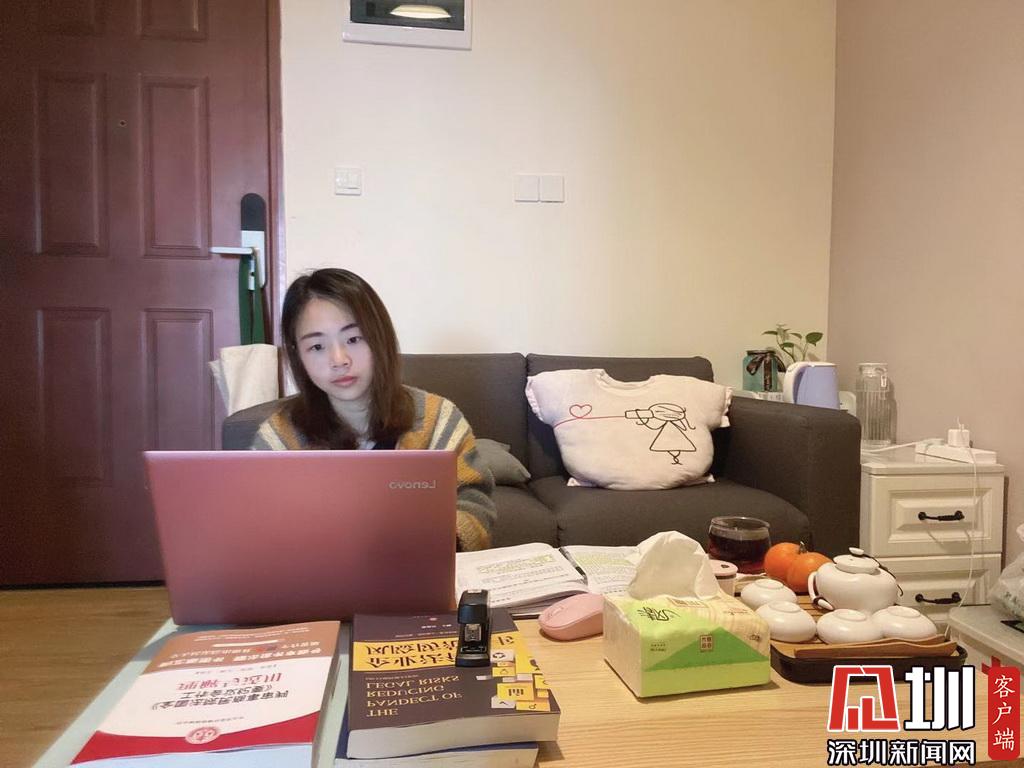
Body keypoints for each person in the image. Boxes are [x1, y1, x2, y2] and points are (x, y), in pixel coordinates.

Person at [250, 268, 496, 551]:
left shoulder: (439, 420)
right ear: (297, 355)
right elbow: (254, 522)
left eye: (354, 339)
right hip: (313, 574)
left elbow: (475, 503)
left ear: (381, 338)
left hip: (414, 569)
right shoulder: (278, 439)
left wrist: (438, 539)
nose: (339, 360)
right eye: (317, 346)